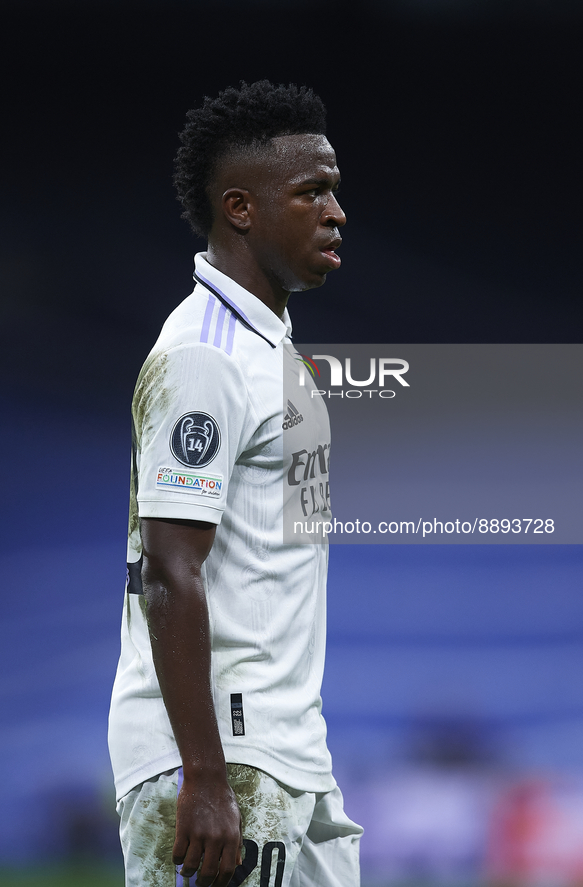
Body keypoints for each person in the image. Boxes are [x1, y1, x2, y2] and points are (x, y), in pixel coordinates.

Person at [108, 80, 362, 887]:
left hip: (287, 750)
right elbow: (169, 569)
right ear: (241, 209)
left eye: (334, 189)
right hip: (225, 759)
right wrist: (207, 777)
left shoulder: (273, 354)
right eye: (311, 191)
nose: (335, 210)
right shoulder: (205, 354)